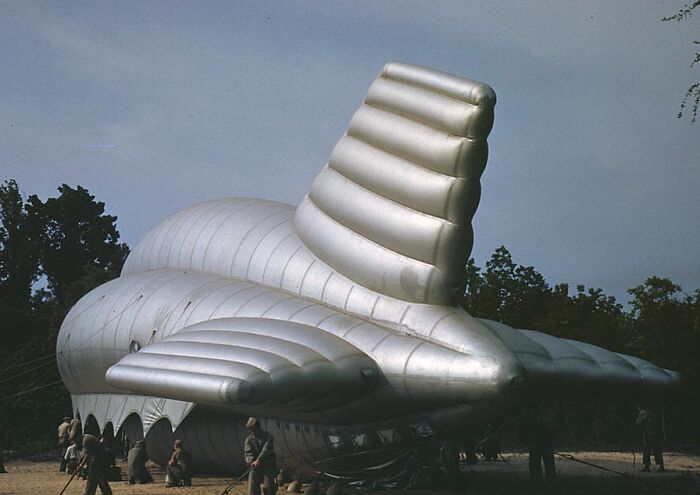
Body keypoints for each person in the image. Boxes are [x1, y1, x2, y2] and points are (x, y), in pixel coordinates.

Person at [244, 417, 277, 495]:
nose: (253, 432)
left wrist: (258, 460)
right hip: (255, 465)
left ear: (258, 427)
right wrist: (251, 462)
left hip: (268, 464)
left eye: (254, 430)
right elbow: (248, 453)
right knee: (253, 485)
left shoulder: (268, 437)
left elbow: (266, 450)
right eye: (251, 430)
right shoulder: (249, 440)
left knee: (269, 486)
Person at [636, 404, 665, 472]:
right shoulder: (653, 413)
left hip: (648, 433)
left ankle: (647, 467)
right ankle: (661, 466)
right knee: (657, 450)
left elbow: (638, 423)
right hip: (657, 433)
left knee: (646, 450)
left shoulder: (643, 414)